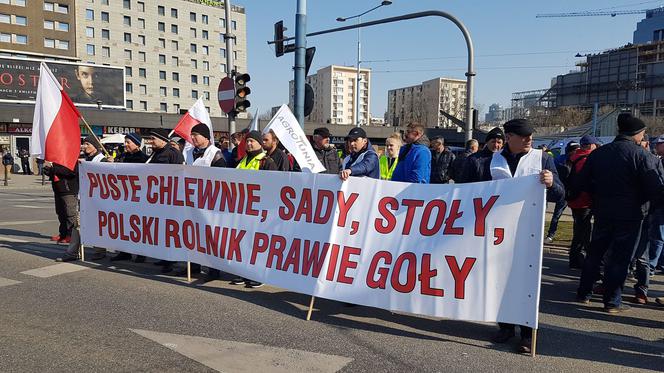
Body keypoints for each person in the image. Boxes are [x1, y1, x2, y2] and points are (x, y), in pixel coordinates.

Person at [464, 118, 563, 354]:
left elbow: (561, 194)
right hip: (497, 233)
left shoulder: (543, 158)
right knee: (500, 281)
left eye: (531, 135)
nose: (530, 139)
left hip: (528, 231)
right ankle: (506, 326)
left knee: (525, 281)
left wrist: (551, 184)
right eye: (524, 136)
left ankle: (527, 334)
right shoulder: (490, 161)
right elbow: (473, 194)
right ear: (509, 138)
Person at [576, 113, 664, 313]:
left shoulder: (598, 154)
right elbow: (655, 189)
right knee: (620, 259)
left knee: (595, 253)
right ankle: (612, 301)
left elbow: (581, 183)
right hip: (631, 214)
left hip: (603, 211)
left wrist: (598, 195)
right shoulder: (643, 156)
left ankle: (584, 293)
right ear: (637, 134)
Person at [231, 130, 278, 288]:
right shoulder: (243, 160)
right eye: (247, 141)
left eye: (252, 141)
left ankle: (259, 274)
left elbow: (273, 188)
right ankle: (243, 272)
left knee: (258, 243)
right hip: (243, 209)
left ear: (260, 143)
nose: (249, 144)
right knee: (243, 241)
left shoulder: (266, 161)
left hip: (259, 211)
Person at [56, 135, 114, 262]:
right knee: (78, 226)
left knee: (98, 225)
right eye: (84, 144)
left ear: (96, 146)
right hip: (84, 199)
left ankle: (100, 250)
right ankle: (72, 253)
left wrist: (112, 165)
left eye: (88, 144)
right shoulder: (84, 161)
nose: (84, 146)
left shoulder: (102, 160)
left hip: (98, 201)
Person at [632, 134, 664, 304]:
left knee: (650, 245)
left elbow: (658, 188)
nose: (652, 144)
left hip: (649, 210)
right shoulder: (650, 159)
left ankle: (642, 287)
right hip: (641, 210)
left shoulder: (653, 161)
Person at [148, 128, 186, 273]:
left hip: (170, 198)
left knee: (170, 230)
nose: (150, 141)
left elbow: (179, 175)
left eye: (153, 139)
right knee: (161, 229)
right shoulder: (155, 153)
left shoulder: (173, 153)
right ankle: (164, 257)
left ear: (162, 140)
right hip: (158, 198)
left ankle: (170, 260)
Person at [110, 133, 149, 262]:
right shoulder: (123, 156)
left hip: (138, 197)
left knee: (138, 226)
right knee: (123, 225)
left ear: (137, 144)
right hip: (123, 196)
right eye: (125, 142)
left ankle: (140, 253)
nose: (125, 145)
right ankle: (124, 251)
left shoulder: (144, 158)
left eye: (128, 142)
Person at [565, 135, 601, 269]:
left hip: (575, 199)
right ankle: (580, 259)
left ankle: (575, 258)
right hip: (584, 200)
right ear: (591, 145)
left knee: (579, 230)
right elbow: (587, 181)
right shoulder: (587, 159)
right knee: (584, 232)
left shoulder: (574, 157)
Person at [545, 142, 580, 243]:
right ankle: (550, 235)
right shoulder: (560, 161)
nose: (577, 153)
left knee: (560, 214)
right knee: (555, 214)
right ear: (569, 151)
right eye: (575, 151)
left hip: (567, 192)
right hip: (557, 190)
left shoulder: (576, 161)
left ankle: (574, 237)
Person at [44, 161, 79, 245]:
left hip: (68, 189)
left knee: (70, 213)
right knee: (60, 212)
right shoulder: (57, 159)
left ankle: (71, 235)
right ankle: (63, 234)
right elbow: (55, 172)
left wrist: (54, 169)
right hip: (58, 188)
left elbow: (71, 172)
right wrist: (48, 171)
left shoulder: (71, 157)